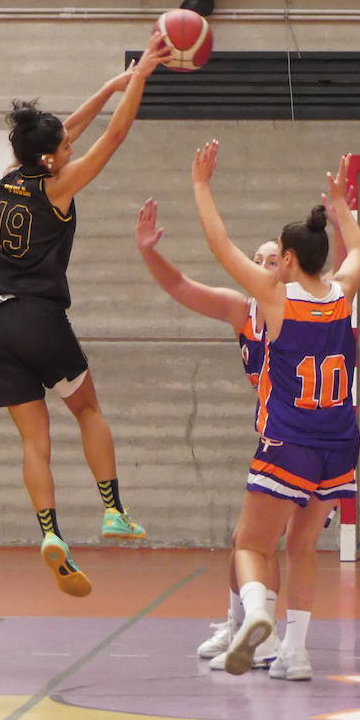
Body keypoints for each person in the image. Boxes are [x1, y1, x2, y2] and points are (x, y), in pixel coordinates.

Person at [0, 31, 172, 598]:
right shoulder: (59, 188)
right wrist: (137, 81)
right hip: (39, 318)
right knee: (87, 410)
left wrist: (108, 85)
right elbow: (111, 137)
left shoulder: (8, 180)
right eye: (63, 149)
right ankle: (113, 511)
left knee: (34, 442)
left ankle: (49, 533)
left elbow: (69, 133)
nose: (69, 149)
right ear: (51, 159)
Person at [190, 141, 360, 679]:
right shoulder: (343, 291)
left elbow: (220, 246)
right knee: (305, 546)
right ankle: (296, 653)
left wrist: (201, 185)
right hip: (340, 442)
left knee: (250, 542)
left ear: (287, 259)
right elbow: (359, 252)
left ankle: (257, 616)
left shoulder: (276, 298)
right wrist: (341, 207)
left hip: (289, 438)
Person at [135, 198, 283, 669]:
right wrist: (149, 252)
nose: (260, 266)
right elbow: (181, 285)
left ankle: (275, 639)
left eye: (272, 260)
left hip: (307, 436)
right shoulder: (244, 312)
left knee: (266, 544)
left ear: (292, 269)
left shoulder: (303, 311)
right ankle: (242, 625)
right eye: (256, 259)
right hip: (274, 436)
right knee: (246, 540)